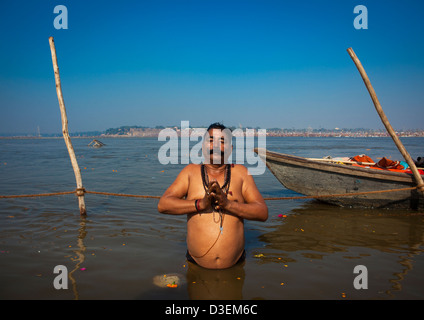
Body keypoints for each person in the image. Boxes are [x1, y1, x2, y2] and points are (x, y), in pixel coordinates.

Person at [158, 122, 268, 269]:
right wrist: (200, 204)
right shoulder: (190, 172)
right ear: (203, 146)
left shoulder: (241, 173)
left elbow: (262, 212)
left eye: (222, 142)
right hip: (196, 265)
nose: (215, 146)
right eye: (210, 140)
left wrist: (228, 204)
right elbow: (163, 205)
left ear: (230, 149)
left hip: (236, 266)